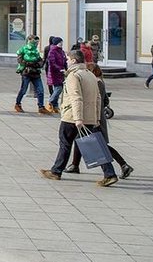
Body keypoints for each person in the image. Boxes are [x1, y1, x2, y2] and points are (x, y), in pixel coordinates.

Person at [39, 50, 120, 187]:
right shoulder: (90, 75)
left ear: (74, 61)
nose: (66, 61)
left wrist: (77, 118)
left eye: (68, 59)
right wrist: (95, 118)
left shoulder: (73, 76)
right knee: (94, 146)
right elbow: (98, 98)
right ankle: (109, 174)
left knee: (65, 143)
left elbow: (76, 97)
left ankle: (56, 171)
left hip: (72, 117)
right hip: (89, 117)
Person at [65, 59, 134, 178]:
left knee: (98, 144)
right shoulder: (99, 81)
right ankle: (74, 165)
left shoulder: (95, 82)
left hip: (94, 117)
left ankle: (123, 165)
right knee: (81, 139)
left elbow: (100, 100)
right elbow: (106, 100)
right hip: (94, 116)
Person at [15, 35, 47, 114]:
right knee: (23, 90)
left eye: (37, 42)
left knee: (40, 90)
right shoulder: (23, 49)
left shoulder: (36, 51)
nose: (36, 44)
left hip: (35, 73)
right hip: (26, 73)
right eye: (35, 42)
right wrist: (29, 63)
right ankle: (18, 104)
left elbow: (40, 61)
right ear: (29, 41)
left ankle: (41, 107)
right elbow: (20, 60)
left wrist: (38, 64)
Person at [46, 37, 67, 113]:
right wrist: (59, 69)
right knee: (58, 89)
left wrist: (66, 69)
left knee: (58, 89)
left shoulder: (62, 51)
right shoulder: (52, 51)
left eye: (62, 42)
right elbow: (52, 63)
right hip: (54, 73)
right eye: (60, 42)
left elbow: (65, 61)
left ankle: (55, 106)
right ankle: (50, 102)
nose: (61, 44)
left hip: (61, 73)